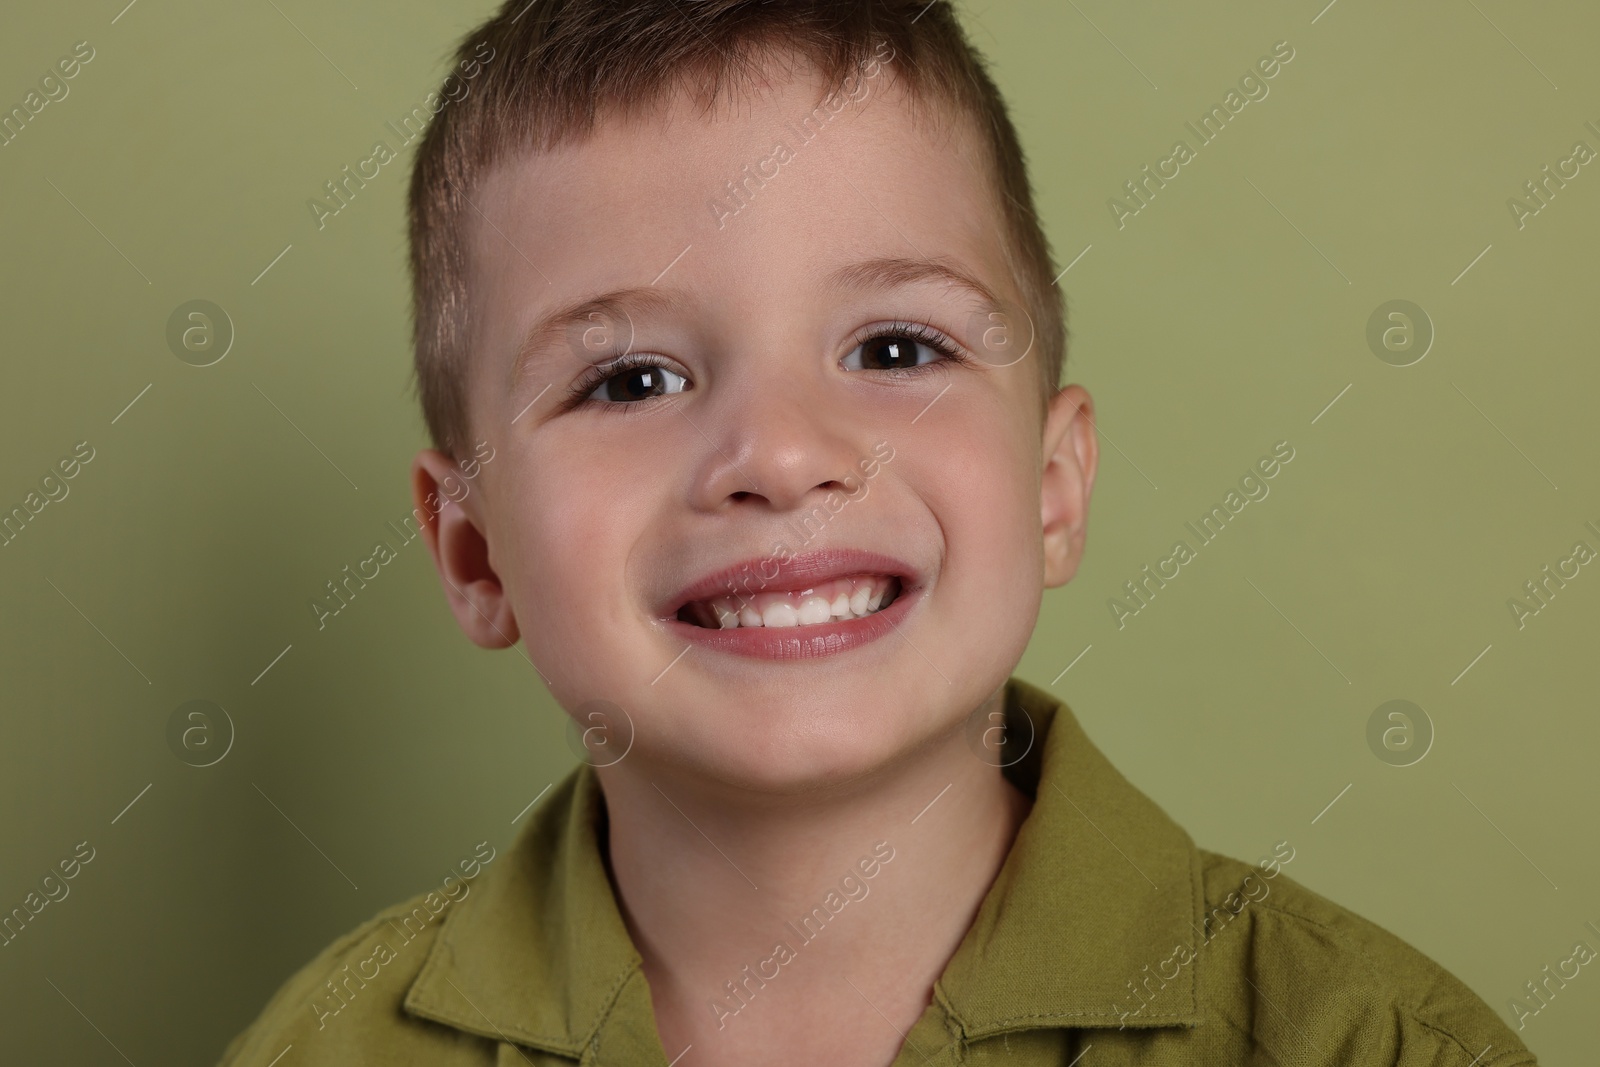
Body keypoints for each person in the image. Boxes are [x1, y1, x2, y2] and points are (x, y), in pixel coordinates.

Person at [218, 2, 1536, 1063]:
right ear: (473, 551)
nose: (782, 455)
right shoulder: (321, 1051)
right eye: (629, 380)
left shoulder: (1365, 1046)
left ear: (1053, 486)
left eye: (895, 347)